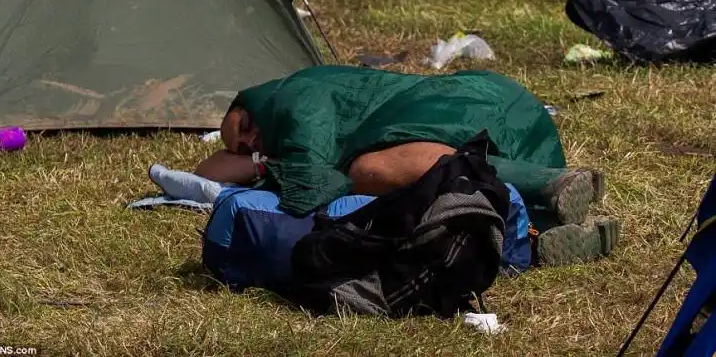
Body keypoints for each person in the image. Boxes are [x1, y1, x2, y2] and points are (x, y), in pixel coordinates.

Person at [152, 65, 619, 265]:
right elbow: (205, 171)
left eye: (247, 124)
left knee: (369, 171)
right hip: (510, 120)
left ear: (251, 100)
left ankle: (549, 183)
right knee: (413, 192)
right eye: (243, 144)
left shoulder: (297, 101)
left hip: (473, 110)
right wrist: (251, 159)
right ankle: (542, 229)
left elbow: (313, 190)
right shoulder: (282, 112)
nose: (254, 139)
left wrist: (261, 167)